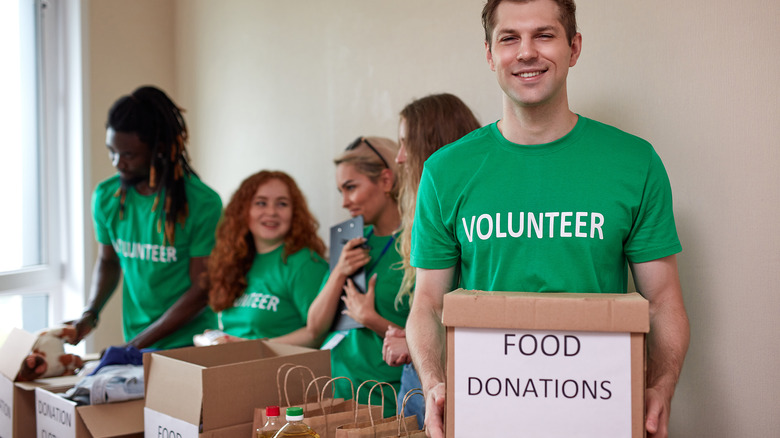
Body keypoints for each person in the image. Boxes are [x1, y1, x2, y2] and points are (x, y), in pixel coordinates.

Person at [405, 1, 690, 438]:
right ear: (489, 54)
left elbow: (664, 298)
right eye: (509, 38)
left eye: (544, 35)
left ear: (573, 47)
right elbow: (427, 302)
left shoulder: (635, 162)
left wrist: (661, 385)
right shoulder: (445, 171)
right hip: (487, 411)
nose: (526, 52)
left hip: (600, 411)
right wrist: (434, 381)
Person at [69, 85, 223, 350]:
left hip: (189, 346)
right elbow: (108, 262)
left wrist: (136, 344)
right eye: (112, 151)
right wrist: (90, 314)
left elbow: (202, 291)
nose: (118, 162)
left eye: (128, 155)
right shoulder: (107, 196)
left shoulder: (202, 203)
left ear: (159, 148)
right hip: (138, 343)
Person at [382, 94, 481, 428]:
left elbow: (469, 305)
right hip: (434, 371)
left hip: (464, 373)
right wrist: (414, 336)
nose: (399, 158)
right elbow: (429, 303)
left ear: (432, 143)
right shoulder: (422, 206)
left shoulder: (464, 194)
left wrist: (414, 347)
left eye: (406, 143)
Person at [306, 137, 407, 417]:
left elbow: (428, 342)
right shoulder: (351, 240)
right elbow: (315, 327)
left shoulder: (417, 245)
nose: (344, 202)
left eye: (351, 188)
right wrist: (338, 272)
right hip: (338, 395)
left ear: (386, 181)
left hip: (386, 401)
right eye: (340, 190)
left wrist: (370, 318)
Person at [205, 170, 328, 346]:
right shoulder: (235, 260)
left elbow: (318, 334)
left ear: (294, 212)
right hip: (232, 366)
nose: (271, 212)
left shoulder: (305, 263)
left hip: (279, 369)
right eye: (261, 203)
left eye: (282, 204)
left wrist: (257, 348)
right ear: (243, 210)